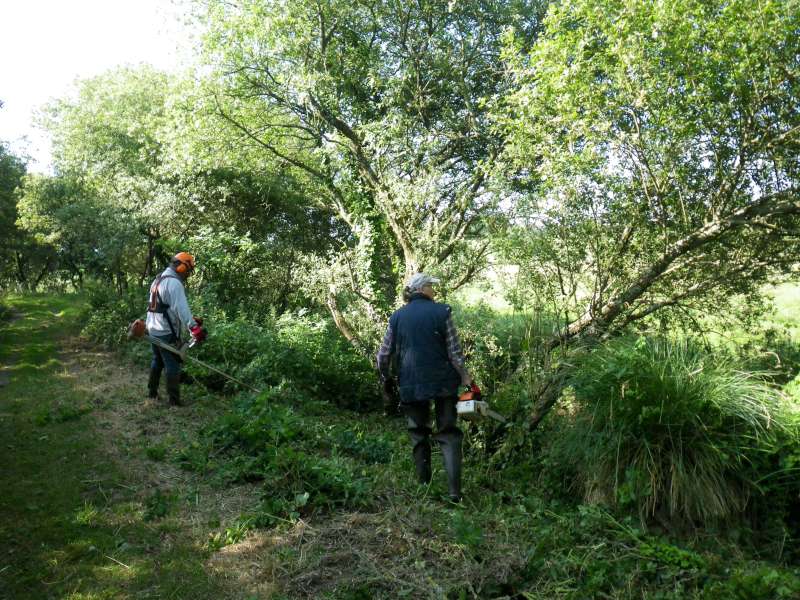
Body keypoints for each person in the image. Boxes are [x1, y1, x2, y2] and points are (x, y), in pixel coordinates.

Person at [376, 273, 474, 502]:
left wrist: (385, 377)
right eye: (431, 286)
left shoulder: (397, 317)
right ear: (421, 289)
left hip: (410, 382)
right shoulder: (443, 311)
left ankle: (424, 490)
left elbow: (383, 354)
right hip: (444, 383)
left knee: (418, 433)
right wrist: (466, 377)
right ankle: (454, 493)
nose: (434, 290)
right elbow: (455, 353)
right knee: (448, 433)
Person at [146, 252, 206, 406]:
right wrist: (194, 327)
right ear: (181, 267)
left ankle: (152, 393)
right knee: (172, 364)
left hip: (153, 328)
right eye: (188, 270)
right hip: (165, 331)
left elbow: (165, 306)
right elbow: (181, 308)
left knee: (157, 360)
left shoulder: (158, 278)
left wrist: (192, 320)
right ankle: (174, 401)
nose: (188, 275)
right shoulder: (174, 283)